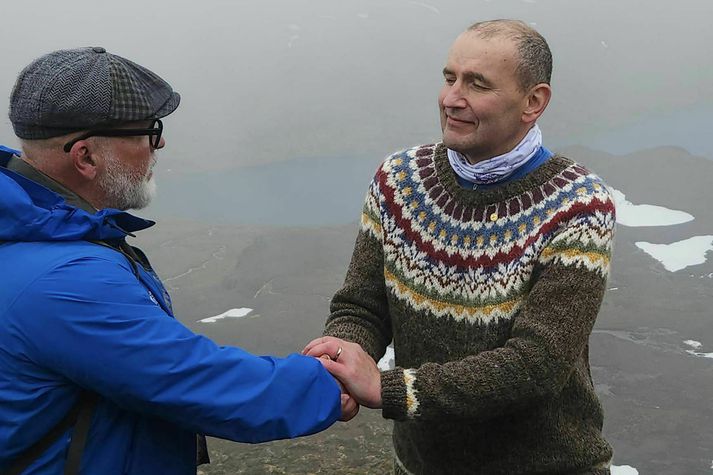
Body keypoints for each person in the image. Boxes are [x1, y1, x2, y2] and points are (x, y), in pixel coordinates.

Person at [0, 47, 356, 475]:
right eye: (149, 131)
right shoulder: (66, 280)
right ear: (86, 157)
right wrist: (328, 386)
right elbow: (193, 380)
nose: (161, 142)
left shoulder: (34, 234)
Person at [304, 19, 616, 474]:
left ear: (534, 102)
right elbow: (363, 306)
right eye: (450, 77)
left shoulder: (577, 206)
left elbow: (536, 365)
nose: (451, 98)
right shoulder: (399, 181)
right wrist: (342, 359)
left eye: (478, 84)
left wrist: (390, 389)